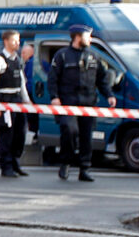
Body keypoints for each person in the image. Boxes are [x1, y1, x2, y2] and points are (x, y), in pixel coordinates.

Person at [48, 24, 115, 182]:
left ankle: (84, 168)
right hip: (68, 103)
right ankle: (66, 162)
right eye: (88, 36)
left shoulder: (93, 56)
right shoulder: (62, 56)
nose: (90, 39)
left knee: (86, 137)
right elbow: (52, 78)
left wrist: (109, 95)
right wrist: (54, 97)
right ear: (78, 36)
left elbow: (102, 79)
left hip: (88, 103)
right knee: (69, 131)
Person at [0, 30, 31, 178]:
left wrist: (26, 100)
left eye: (18, 40)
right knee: (7, 134)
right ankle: (6, 165)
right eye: (14, 41)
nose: (18, 43)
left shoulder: (18, 59)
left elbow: (22, 82)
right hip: (5, 100)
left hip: (17, 100)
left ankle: (15, 162)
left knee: (21, 133)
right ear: (6, 41)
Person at [21, 42, 39, 139]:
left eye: (24, 53)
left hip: (33, 93)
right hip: (35, 93)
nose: (22, 55)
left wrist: (25, 95)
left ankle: (33, 134)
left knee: (32, 116)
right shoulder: (34, 62)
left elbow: (30, 81)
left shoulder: (31, 63)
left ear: (31, 52)